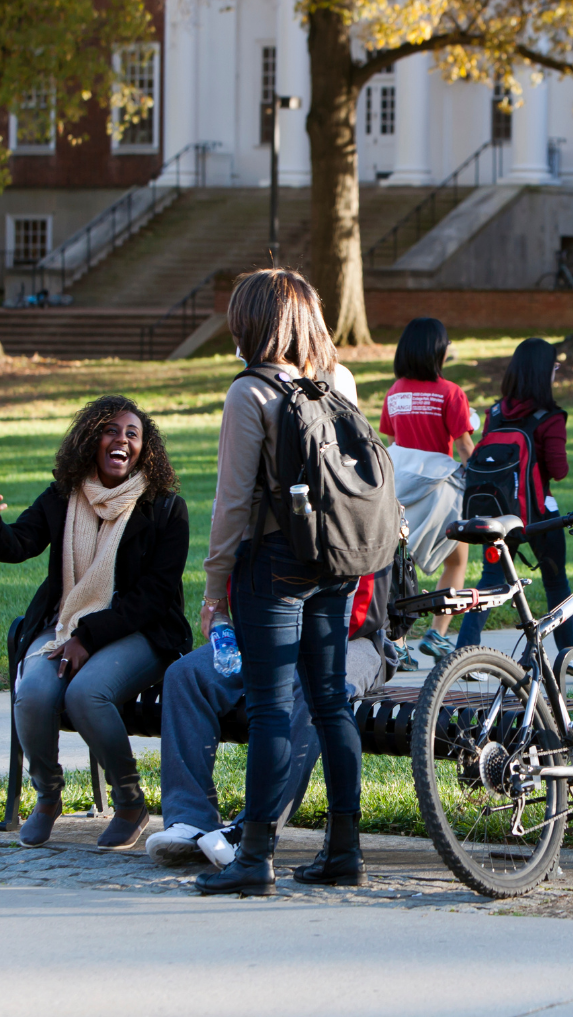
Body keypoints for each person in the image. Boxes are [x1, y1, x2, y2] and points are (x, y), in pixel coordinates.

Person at [196, 267, 365, 896]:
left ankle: (255, 856)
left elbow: (232, 503)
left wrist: (215, 588)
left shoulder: (251, 393)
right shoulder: (339, 380)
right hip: (336, 560)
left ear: (254, 322)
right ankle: (343, 850)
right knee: (330, 701)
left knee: (270, 707)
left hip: (272, 563)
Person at [0, 396, 191, 851]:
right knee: (32, 692)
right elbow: (19, 544)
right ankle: (48, 795)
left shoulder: (165, 508)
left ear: (144, 448)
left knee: (87, 694)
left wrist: (89, 637)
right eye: (112, 430)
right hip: (67, 625)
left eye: (133, 433)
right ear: (92, 440)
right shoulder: (63, 496)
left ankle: (129, 800)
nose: (122, 440)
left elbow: (154, 596)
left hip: (142, 632)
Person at [146, 569, 395, 868]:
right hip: (273, 630)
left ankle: (254, 831)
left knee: (314, 687)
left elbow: (360, 610)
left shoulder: (351, 522)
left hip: (352, 638)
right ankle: (191, 818)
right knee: (186, 675)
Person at [456, 338, 573, 653]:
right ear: (544, 372)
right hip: (538, 512)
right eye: (555, 367)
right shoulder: (550, 417)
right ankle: (568, 653)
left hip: (497, 509)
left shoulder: (495, 412)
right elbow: (559, 470)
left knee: (492, 581)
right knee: (555, 582)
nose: (556, 372)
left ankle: (465, 648)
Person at [379, 317, 475, 659]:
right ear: (437, 350)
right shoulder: (450, 393)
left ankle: (398, 644)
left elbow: (392, 441)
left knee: (401, 569)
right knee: (456, 562)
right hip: (439, 494)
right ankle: (436, 633)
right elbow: (464, 446)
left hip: (400, 491)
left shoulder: (394, 393)